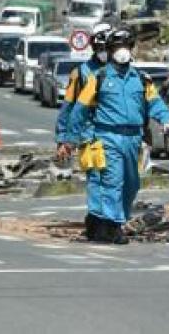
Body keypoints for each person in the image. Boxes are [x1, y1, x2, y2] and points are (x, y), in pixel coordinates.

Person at [69, 27, 169, 244]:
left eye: (125, 46)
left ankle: (115, 219)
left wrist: (166, 120)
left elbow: (155, 104)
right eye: (117, 47)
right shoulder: (98, 78)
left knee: (132, 183)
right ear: (110, 50)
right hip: (108, 137)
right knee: (112, 181)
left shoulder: (141, 79)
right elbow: (79, 109)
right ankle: (113, 226)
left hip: (134, 138)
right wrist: (70, 138)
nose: (122, 51)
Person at [55, 21, 112, 240]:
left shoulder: (124, 72)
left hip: (117, 137)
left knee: (119, 180)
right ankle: (97, 221)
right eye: (101, 49)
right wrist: (64, 139)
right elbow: (69, 108)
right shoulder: (80, 74)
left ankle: (113, 219)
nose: (104, 53)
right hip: (90, 136)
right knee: (96, 179)